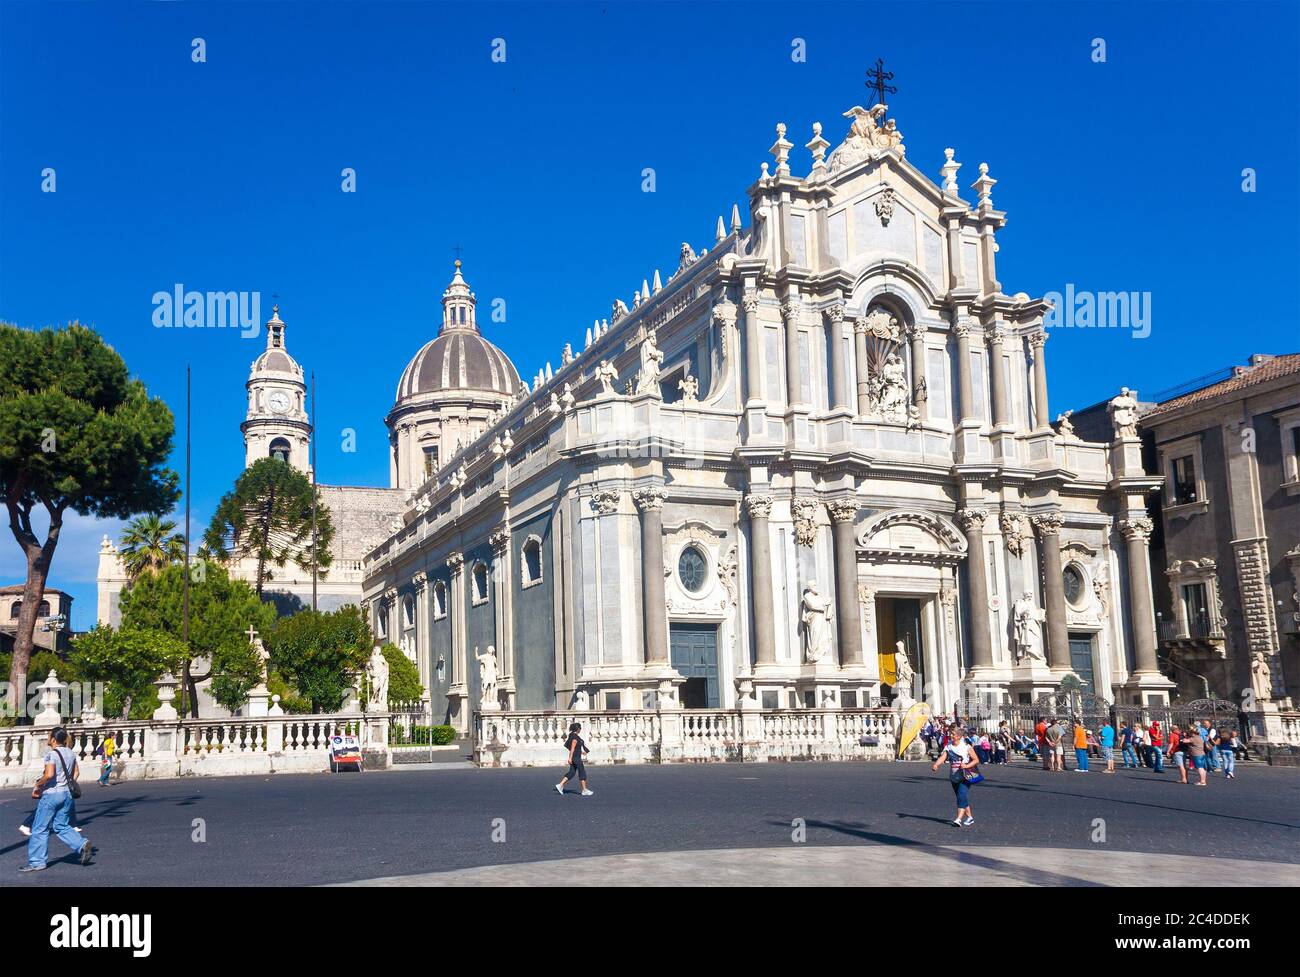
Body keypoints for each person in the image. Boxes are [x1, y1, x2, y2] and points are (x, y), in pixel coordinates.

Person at [20, 727, 93, 873]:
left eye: (48, 735)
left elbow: (49, 774)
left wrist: (37, 785)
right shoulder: (70, 753)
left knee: (39, 828)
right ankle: (81, 844)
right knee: (61, 825)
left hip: (52, 794)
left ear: (53, 739)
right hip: (67, 794)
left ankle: (37, 862)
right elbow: (76, 773)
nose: (47, 737)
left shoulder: (51, 755)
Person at [931, 724, 980, 827]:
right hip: (953, 776)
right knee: (960, 797)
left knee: (961, 795)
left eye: (953, 734)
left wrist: (966, 766)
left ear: (958, 736)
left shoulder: (966, 747)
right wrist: (936, 764)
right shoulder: (948, 746)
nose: (950, 735)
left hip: (965, 775)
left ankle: (958, 819)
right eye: (951, 733)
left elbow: (976, 760)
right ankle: (970, 817)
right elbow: (943, 757)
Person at [554, 722, 593, 796]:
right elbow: (572, 749)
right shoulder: (575, 738)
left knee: (572, 773)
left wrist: (581, 752)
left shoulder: (572, 735)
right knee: (582, 772)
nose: (580, 729)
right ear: (578, 729)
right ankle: (584, 790)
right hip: (576, 758)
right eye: (580, 728)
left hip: (575, 757)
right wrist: (570, 758)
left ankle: (560, 785)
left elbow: (575, 748)